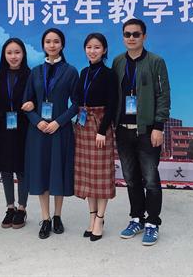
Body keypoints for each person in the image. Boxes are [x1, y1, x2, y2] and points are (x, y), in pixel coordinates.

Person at [113, 18, 171, 246]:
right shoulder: (118, 62)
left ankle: (153, 222)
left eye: (136, 34)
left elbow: (164, 95)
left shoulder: (156, 61)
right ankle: (136, 218)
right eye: (127, 34)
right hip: (123, 130)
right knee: (130, 178)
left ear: (144, 36)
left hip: (147, 131)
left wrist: (158, 126)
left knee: (150, 179)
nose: (131, 38)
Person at [24, 28, 79, 239]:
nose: (52, 45)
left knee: (58, 172)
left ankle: (57, 216)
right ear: (43, 45)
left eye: (56, 41)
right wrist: (37, 121)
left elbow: (76, 104)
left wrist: (59, 122)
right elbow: (27, 103)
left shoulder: (70, 71)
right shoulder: (35, 72)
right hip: (38, 132)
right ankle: (45, 218)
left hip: (60, 130)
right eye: (48, 41)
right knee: (42, 172)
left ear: (62, 45)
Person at [73, 33, 118, 242]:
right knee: (88, 175)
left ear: (104, 50)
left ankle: (100, 218)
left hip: (100, 125)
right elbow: (77, 97)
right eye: (89, 47)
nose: (92, 51)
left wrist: (102, 130)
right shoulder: (83, 72)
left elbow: (112, 104)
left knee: (101, 175)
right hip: (83, 126)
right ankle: (91, 217)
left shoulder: (109, 74)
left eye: (97, 47)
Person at [0, 38, 33, 229]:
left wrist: (33, 103)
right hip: (2, 127)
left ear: (23, 54)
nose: (13, 56)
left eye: (17, 52)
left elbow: (37, 98)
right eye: (9, 53)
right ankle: (10, 207)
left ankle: (22, 208)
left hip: (23, 127)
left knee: (21, 169)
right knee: (5, 168)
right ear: (4, 55)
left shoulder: (31, 75)